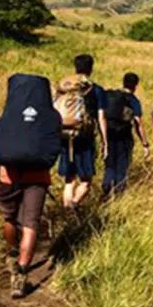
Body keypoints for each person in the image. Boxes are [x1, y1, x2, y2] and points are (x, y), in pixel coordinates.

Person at [0, 73, 61, 299]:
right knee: (31, 223)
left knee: (9, 219)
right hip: (38, 176)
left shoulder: (6, 115)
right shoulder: (52, 116)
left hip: (8, 176)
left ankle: (13, 252)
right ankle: (22, 272)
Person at [55, 54, 102, 212]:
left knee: (69, 180)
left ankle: (66, 210)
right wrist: (105, 141)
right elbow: (100, 116)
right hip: (84, 138)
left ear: (75, 67)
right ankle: (73, 206)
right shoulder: (93, 89)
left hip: (64, 135)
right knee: (86, 181)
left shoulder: (64, 86)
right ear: (91, 68)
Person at [99, 71, 149, 198]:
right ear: (135, 85)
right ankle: (118, 192)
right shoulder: (132, 100)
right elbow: (138, 122)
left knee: (109, 164)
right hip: (124, 137)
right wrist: (145, 143)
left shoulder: (110, 95)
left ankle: (106, 188)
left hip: (108, 135)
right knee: (121, 166)